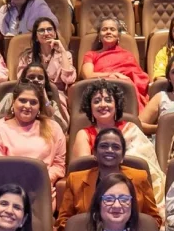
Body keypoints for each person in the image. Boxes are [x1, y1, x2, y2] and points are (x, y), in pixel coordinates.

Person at [65, 91, 162, 221]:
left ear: (116, 105)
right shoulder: (84, 134)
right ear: (90, 108)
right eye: (97, 101)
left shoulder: (131, 129)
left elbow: (146, 163)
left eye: (108, 100)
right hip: (94, 186)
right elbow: (83, 168)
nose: (102, 104)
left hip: (129, 183)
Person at [0, 84, 69, 181]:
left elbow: (59, 165)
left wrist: (43, 179)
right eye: (22, 100)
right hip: (6, 185)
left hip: (41, 185)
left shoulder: (53, 128)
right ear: (13, 102)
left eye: (33, 102)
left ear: (39, 106)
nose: (27, 106)